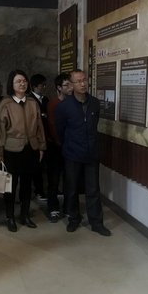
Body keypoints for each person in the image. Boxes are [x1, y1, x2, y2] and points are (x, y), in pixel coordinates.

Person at [55, 69, 111, 236]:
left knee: (93, 189)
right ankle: (74, 218)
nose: (83, 84)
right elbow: (60, 131)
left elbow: (93, 125)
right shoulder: (64, 107)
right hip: (72, 154)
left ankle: (96, 223)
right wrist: (70, 144)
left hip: (92, 153)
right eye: (78, 81)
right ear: (71, 85)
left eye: (84, 80)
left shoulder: (94, 103)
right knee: (71, 189)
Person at [0, 69, 46, 232]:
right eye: (18, 81)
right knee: (11, 185)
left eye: (24, 81)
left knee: (27, 184)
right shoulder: (6, 104)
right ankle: (10, 217)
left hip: (31, 148)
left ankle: (25, 214)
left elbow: (39, 126)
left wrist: (41, 146)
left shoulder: (32, 103)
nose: (22, 84)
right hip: (11, 150)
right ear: (12, 84)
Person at [46, 73, 73, 222]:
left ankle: (69, 208)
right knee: (54, 179)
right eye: (66, 85)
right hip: (56, 147)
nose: (70, 88)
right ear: (59, 88)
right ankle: (53, 208)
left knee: (69, 179)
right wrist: (61, 142)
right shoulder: (53, 104)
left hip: (70, 146)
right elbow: (53, 126)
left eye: (71, 84)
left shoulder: (74, 102)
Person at [28, 74, 49, 202]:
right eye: (42, 85)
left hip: (46, 136)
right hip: (34, 138)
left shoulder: (45, 99)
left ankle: (45, 190)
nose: (44, 87)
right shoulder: (29, 100)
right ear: (35, 86)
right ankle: (38, 191)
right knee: (36, 167)